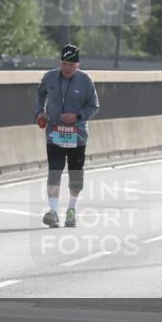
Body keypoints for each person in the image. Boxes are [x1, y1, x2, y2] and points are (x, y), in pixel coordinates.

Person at [35, 44, 100, 228]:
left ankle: (71, 210)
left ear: (77, 65)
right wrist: (40, 113)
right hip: (54, 134)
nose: (67, 68)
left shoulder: (86, 80)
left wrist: (77, 116)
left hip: (77, 136)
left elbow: (94, 106)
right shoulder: (50, 77)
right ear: (60, 62)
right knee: (54, 172)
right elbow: (40, 94)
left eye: (71, 65)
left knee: (75, 175)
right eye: (64, 64)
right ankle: (53, 212)